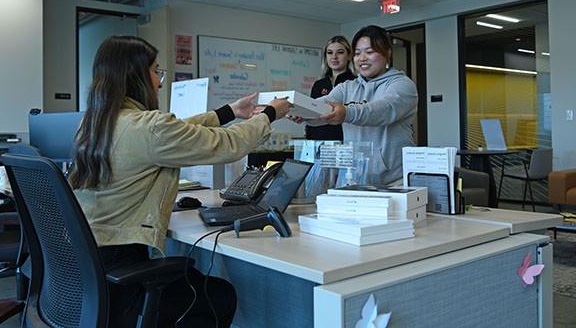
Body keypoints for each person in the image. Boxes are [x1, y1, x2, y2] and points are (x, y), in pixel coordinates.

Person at [68, 35, 291, 328]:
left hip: (88, 265)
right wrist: (271, 114)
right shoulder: (148, 128)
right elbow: (227, 144)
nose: (159, 81)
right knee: (217, 295)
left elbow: (179, 131)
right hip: (121, 270)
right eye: (155, 71)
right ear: (135, 75)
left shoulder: (95, 123)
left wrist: (230, 112)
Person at [296, 25, 418, 186]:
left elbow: (381, 110)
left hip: (394, 182)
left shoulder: (402, 85)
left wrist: (346, 112)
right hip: (353, 179)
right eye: (358, 53)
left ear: (387, 52)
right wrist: (300, 110)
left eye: (369, 52)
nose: (362, 58)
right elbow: (322, 104)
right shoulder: (347, 87)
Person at [305, 35, 355, 141]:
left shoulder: (355, 83)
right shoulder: (319, 84)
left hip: (346, 143)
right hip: (319, 144)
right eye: (330, 52)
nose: (334, 57)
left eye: (340, 52)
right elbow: (313, 113)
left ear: (349, 55)